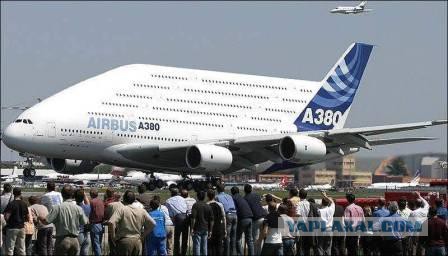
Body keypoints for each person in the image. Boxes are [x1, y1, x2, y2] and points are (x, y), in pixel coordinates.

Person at [40, 185, 88, 256]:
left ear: (62, 194)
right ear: (72, 195)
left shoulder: (57, 208)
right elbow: (85, 222)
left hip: (62, 240)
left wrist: (39, 217)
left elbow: (46, 221)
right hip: (75, 239)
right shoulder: (78, 208)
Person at [107, 190, 155, 256]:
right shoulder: (141, 210)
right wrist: (143, 236)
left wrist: (113, 237)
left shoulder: (122, 209)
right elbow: (153, 224)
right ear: (134, 199)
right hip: (137, 241)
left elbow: (111, 222)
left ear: (124, 199)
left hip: (124, 241)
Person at [3, 187, 28, 256]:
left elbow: (7, 216)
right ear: (21, 194)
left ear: (13, 193)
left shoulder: (11, 204)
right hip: (22, 227)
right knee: (22, 248)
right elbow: (27, 217)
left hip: (12, 227)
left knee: (10, 249)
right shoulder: (24, 204)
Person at [243, 184, 267, 256]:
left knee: (254, 239)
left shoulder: (245, 198)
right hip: (263, 217)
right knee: (260, 239)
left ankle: (256, 253)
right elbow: (260, 201)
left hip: (255, 219)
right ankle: (259, 253)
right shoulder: (256, 195)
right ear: (251, 189)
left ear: (244, 190)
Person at [231, 186, 254, 256]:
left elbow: (234, 210)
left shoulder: (233, 198)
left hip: (243, 219)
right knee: (249, 240)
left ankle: (239, 254)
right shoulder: (242, 197)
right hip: (250, 217)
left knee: (237, 238)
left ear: (232, 192)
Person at [216, 183, 238, 256]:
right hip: (235, 215)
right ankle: (233, 253)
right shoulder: (229, 196)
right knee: (233, 237)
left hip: (228, 215)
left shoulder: (217, 197)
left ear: (217, 189)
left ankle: (227, 253)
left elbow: (218, 209)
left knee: (227, 237)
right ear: (224, 189)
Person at [165, 188, 188, 256]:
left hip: (178, 218)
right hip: (185, 217)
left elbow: (169, 213)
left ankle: (177, 253)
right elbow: (186, 207)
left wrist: (173, 219)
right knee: (185, 237)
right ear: (178, 193)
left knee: (177, 237)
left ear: (171, 193)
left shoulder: (168, 201)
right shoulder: (182, 198)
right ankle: (184, 253)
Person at [191, 190, 214, 256]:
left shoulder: (195, 205)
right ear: (204, 197)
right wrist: (211, 230)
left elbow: (193, 218)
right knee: (204, 246)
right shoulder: (208, 206)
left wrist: (192, 228)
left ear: (197, 197)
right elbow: (212, 220)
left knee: (197, 246)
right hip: (206, 228)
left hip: (197, 228)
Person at [206, 189, 226, 256]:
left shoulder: (206, 205)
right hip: (219, 228)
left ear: (207, 196)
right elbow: (224, 217)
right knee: (219, 247)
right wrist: (225, 229)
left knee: (210, 247)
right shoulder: (220, 205)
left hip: (210, 228)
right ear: (214, 195)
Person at [410, 191, 430, 256]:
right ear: (421, 204)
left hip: (416, 230)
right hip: (424, 229)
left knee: (415, 246)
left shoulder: (413, 213)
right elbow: (426, 203)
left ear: (415, 204)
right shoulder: (425, 210)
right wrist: (419, 196)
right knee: (422, 246)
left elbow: (409, 223)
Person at [317, 191, 335, 256]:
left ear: (322, 203)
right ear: (328, 203)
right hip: (330, 229)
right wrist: (325, 196)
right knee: (328, 247)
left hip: (322, 229)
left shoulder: (319, 211)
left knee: (320, 247)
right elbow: (332, 201)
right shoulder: (331, 209)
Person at [74, 189, 91, 256]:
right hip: (86, 233)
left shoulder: (75, 208)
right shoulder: (87, 207)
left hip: (78, 233)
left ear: (75, 198)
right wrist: (84, 195)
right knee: (85, 252)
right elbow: (87, 202)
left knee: (77, 252)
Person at [89, 189, 104, 256]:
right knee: (99, 243)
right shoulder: (101, 201)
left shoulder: (92, 202)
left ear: (91, 195)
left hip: (94, 224)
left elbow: (90, 212)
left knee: (96, 244)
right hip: (101, 223)